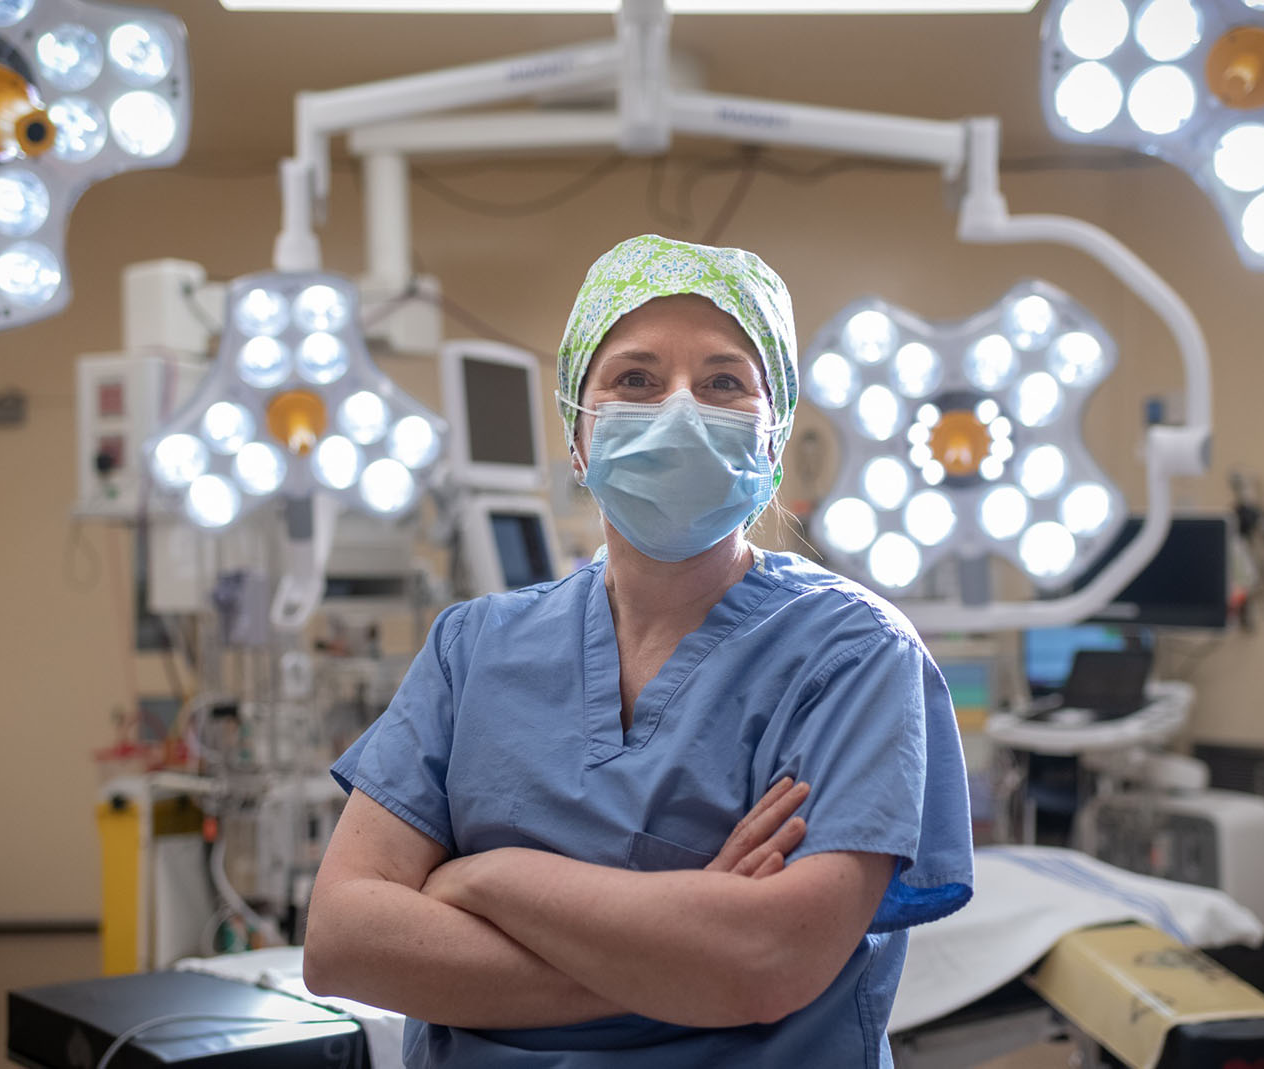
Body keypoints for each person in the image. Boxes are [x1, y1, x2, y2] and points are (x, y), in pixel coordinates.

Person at [304, 234, 973, 1067]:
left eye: (725, 381)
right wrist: (687, 955)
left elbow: (770, 962)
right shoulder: (471, 649)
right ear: (579, 440)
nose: (680, 409)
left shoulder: (854, 654)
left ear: (772, 440)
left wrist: (488, 880)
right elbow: (342, 940)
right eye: (635, 380)